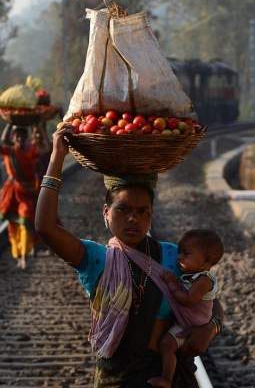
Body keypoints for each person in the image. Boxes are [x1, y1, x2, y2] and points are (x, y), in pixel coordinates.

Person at [35, 122, 224, 388]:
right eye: (123, 210)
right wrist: (56, 158)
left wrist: (212, 326)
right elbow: (45, 227)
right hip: (119, 379)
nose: (133, 218)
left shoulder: (172, 256)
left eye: (142, 211)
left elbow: (208, 295)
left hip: (170, 376)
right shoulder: (95, 259)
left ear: (151, 214)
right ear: (105, 212)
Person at [147, 229, 223, 388]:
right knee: (168, 346)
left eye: (186, 254)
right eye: (180, 252)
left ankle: (166, 379)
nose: (179, 257)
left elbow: (188, 300)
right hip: (187, 322)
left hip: (189, 324)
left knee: (167, 346)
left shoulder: (203, 280)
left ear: (206, 261)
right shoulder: (193, 276)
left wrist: (172, 285)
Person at [0, 124, 38, 269]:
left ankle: (24, 255)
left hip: (26, 193)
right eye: (17, 136)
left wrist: (38, 126)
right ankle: (17, 254)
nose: (20, 139)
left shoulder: (31, 152)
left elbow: (45, 147)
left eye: (23, 136)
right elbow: (2, 141)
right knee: (12, 225)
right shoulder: (9, 151)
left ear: (26, 138)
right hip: (10, 194)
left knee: (26, 220)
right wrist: (9, 124)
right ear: (13, 138)